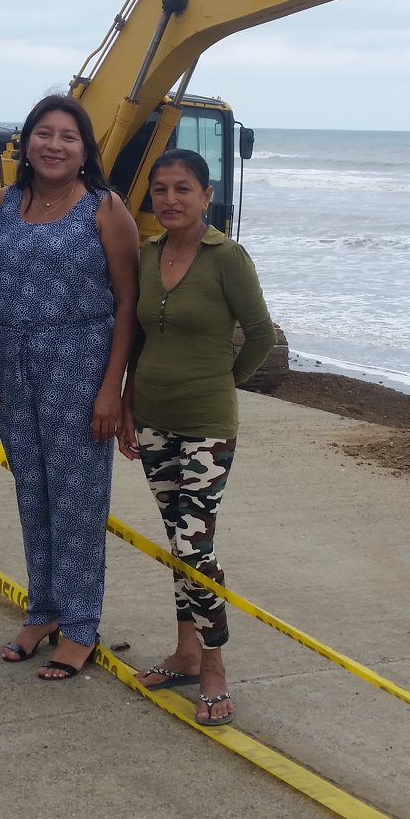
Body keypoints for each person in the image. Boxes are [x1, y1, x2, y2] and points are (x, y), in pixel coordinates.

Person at [0, 95, 139, 681]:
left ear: (85, 150)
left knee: (78, 503)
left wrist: (112, 388)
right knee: (33, 495)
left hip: (81, 370)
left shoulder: (105, 208)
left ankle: (80, 626)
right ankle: (43, 610)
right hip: (15, 367)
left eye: (69, 137)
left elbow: (128, 303)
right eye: (44, 133)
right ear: (26, 143)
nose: (54, 145)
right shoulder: (3, 204)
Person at [117, 148, 275, 726]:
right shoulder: (147, 254)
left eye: (183, 188)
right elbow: (136, 340)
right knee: (177, 541)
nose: (170, 199)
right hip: (153, 419)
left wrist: (224, 382)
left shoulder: (226, 256)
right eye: (160, 189)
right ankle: (184, 654)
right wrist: (128, 402)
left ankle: (213, 667)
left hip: (207, 426)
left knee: (193, 547)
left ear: (206, 196)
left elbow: (260, 333)